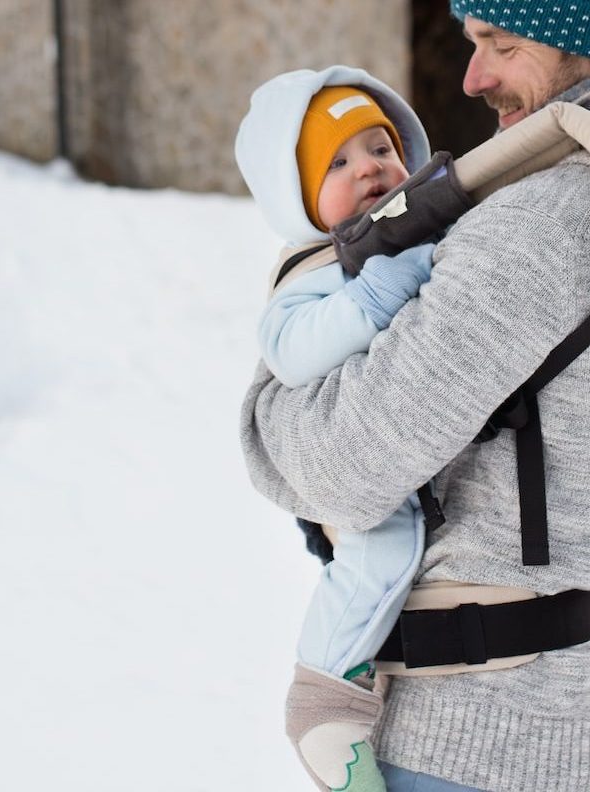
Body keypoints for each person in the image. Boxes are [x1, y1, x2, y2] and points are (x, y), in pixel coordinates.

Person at [239, 2, 590, 790]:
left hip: (483, 735)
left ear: (583, 37)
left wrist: (271, 395)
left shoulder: (543, 220)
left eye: (501, 43)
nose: (473, 78)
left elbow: (343, 466)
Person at [234, 66, 442, 792]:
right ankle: (324, 696)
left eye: (381, 148)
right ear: (297, 195)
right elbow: (290, 351)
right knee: (381, 549)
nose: (369, 169)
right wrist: (375, 295)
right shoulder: (312, 267)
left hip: (407, 444)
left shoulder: (413, 231)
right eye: (338, 163)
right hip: (350, 465)